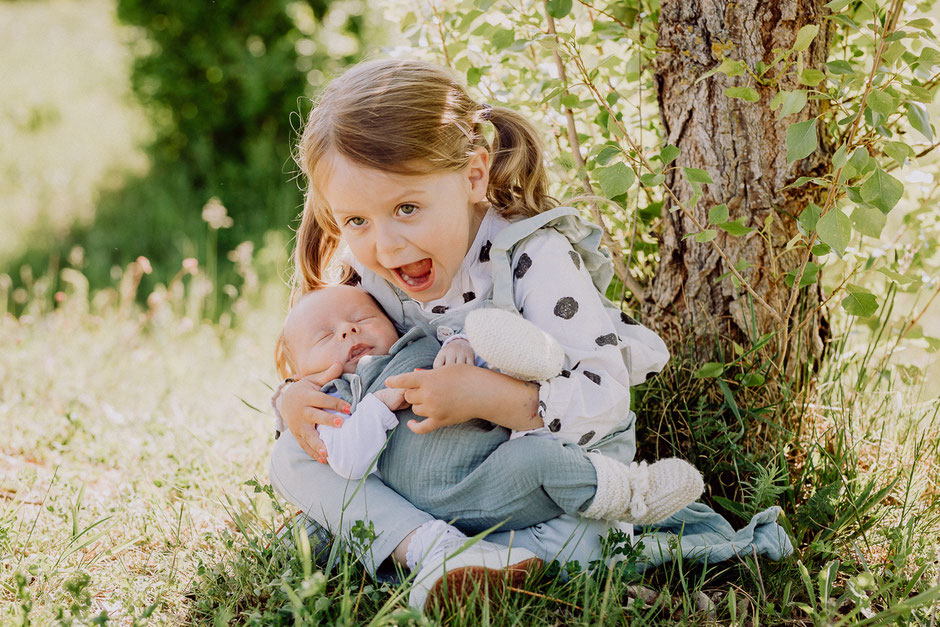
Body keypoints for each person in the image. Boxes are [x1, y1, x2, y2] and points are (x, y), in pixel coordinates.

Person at [269, 58, 791, 613]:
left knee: (583, 538)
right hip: (426, 475)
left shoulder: (533, 259)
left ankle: (442, 553)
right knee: (290, 460)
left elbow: (604, 397)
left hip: (532, 479)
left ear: (474, 175)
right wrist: (294, 404)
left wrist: (486, 397)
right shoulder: (372, 271)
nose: (386, 245)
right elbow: (339, 368)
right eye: (357, 222)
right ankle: (429, 546)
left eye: (407, 208)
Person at [275, 284, 703, 525]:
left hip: (502, 431)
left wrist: (460, 344)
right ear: (299, 371)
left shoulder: (413, 341)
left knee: (491, 361)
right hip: (461, 489)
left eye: (360, 318)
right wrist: (382, 401)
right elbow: (348, 461)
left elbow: (444, 342)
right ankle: (630, 495)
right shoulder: (329, 400)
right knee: (536, 460)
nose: (348, 332)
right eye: (325, 336)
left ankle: (539, 356)